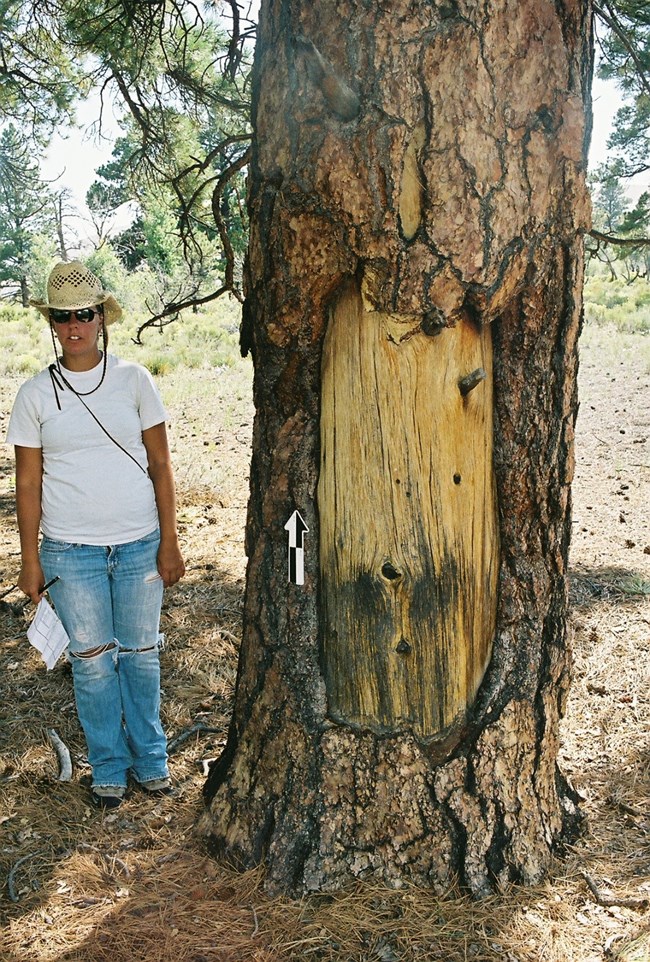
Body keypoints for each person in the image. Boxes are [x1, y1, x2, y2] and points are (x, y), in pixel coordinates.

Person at [6, 260, 185, 810]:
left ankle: (151, 761)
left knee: (141, 656)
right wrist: (29, 559)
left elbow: (160, 462)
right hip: (70, 552)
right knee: (92, 663)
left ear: (102, 318)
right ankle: (108, 766)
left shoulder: (135, 381)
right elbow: (28, 482)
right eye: (63, 317)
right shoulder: (34, 395)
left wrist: (170, 540)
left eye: (84, 314)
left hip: (138, 545)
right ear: (52, 324)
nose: (74, 326)